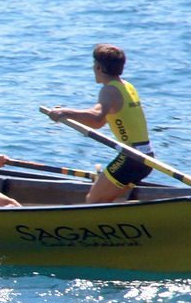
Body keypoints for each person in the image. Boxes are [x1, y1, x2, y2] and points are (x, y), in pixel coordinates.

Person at [44, 43, 153, 203]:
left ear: (99, 68)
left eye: (94, 65)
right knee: (105, 201)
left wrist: (64, 112)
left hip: (131, 158)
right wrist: (68, 113)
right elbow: (99, 121)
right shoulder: (126, 86)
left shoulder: (109, 90)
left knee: (92, 202)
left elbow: (96, 117)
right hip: (147, 157)